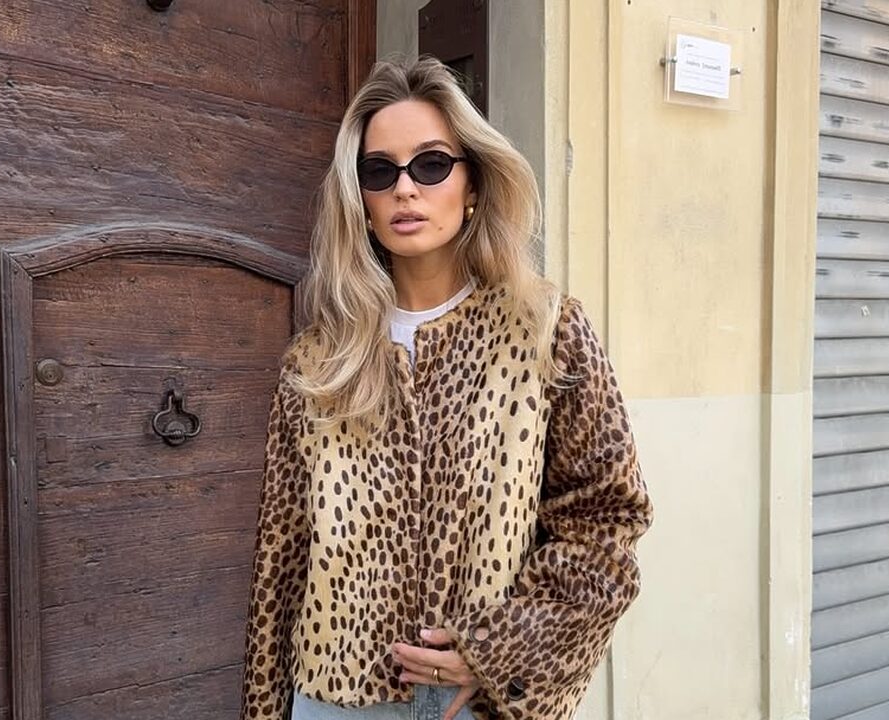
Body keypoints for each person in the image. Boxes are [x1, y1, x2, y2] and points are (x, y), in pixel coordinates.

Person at [238, 55, 654, 720]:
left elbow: (605, 525)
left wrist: (502, 650)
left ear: (472, 185)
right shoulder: (317, 361)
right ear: (360, 200)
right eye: (380, 171)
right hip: (336, 699)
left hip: (480, 700)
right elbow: (280, 565)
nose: (405, 188)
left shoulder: (543, 332)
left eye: (431, 164)